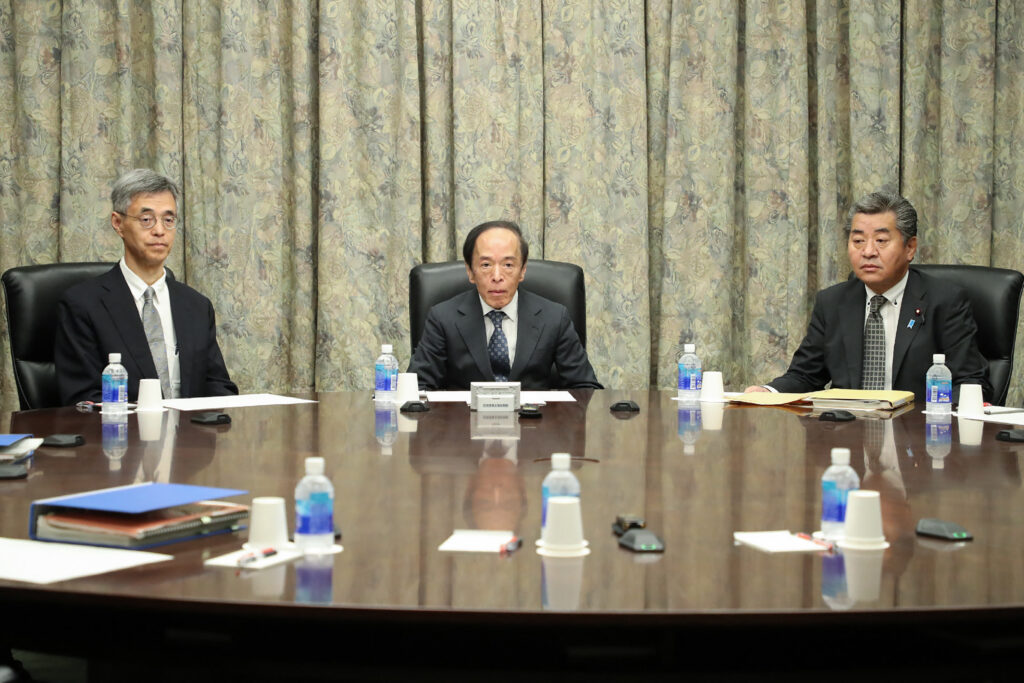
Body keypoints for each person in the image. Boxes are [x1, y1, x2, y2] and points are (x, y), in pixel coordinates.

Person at [745, 191, 990, 403]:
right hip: (848, 435)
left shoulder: (944, 301)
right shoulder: (832, 302)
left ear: (910, 248)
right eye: (858, 241)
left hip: (916, 441)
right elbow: (805, 375)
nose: (868, 252)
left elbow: (970, 383)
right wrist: (768, 390)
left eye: (881, 241)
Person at [55, 169, 238, 404]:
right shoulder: (82, 305)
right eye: (146, 219)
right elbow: (82, 400)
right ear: (118, 223)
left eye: (168, 220)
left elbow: (218, 386)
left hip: (191, 437)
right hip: (120, 437)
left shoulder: (196, 306)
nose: (159, 230)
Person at [408, 220, 602, 390]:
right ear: (470, 271)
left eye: (508, 265)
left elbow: (584, 388)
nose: (497, 276)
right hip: (463, 427)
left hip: (535, 426)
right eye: (486, 265)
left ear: (523, 270)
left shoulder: (554, 317)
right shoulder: (443, 317)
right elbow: (418, 386)